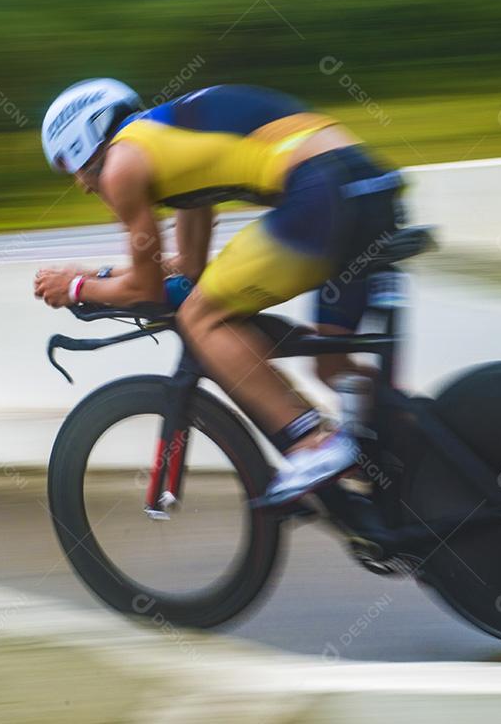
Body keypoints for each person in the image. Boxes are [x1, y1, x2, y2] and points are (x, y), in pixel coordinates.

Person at [33, 80, 404, 507]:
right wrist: (97, 276)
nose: (80, 183)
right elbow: (186, 267)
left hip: (318, 193)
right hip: (369, 187)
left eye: (68, 164)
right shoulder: (166, 142)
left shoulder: (120, 166)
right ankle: (411, 442)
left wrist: (77, 288)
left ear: (83, 140)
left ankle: (315, 443)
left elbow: (147, 288)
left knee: (201, 316)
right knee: (332, 365)